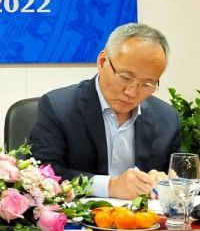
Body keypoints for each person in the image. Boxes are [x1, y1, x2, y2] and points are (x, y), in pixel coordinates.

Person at [29, 22, 181, 199]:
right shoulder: (58, 107)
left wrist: (164, 182)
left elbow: (178, 179)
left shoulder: (167, 118)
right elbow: (43, 174)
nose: (132, 92)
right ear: (102, 61)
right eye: (125, 77)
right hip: (82, 214)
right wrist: (109, 186)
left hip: (145, 216)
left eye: (147, 84)